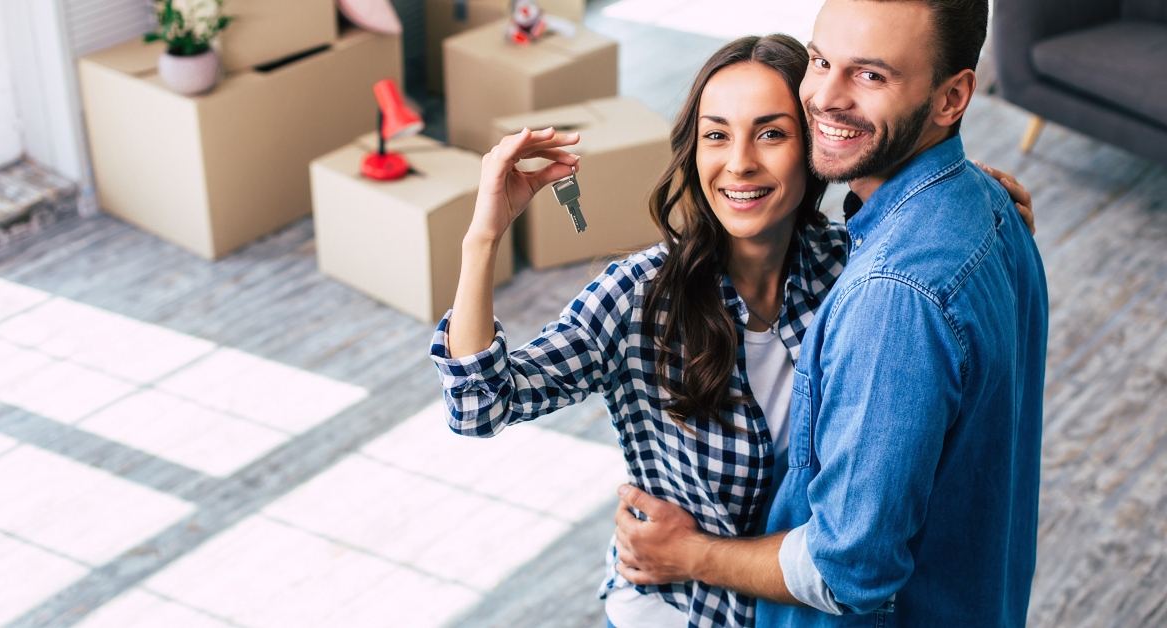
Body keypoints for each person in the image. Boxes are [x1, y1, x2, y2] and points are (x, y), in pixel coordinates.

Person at [429, 32, 1034, 628]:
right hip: (675, 608)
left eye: (771, 133)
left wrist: (968, 191)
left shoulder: (851, 268)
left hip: (787, 605)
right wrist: (482, 238)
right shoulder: (640, 297)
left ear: (814, 145)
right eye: (716, 135)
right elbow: (480, 404)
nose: (739, 162)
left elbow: (919, 214)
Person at [611, 1, 1049, 627]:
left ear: (951, 98)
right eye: (820, 61)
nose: (822, 97)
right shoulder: (990, 208)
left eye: (871, 75)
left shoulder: (894, 297)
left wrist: (688, 553)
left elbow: (847, 572)